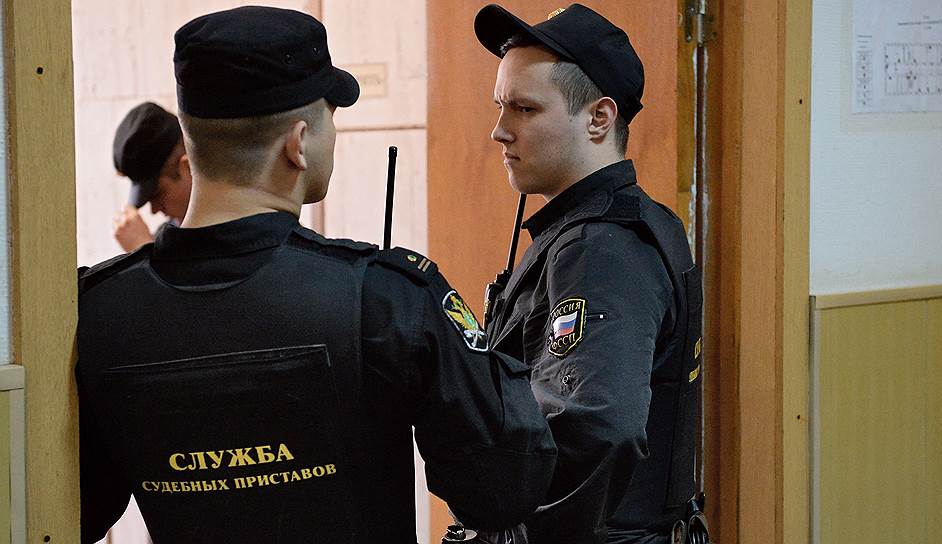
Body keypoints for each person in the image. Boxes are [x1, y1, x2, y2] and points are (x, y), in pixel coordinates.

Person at [76, 6, 555, 544]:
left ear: (192, 144)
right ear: (299, 142)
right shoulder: (387, 298)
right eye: (332, 116)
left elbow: (76, 510)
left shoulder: (94, 311)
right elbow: (501, 488)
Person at [474, 4, 704, 544]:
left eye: (525, 109)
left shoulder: (602, 248)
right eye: (501, 106)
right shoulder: (626, 221)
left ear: (599, 118)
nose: (500, 131)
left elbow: (600, 426)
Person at [111, 102, 193, 251]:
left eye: (157, 193)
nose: (154, 210)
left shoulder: (233, 231)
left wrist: (142, 250)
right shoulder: (166, 237)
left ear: (187, 168)